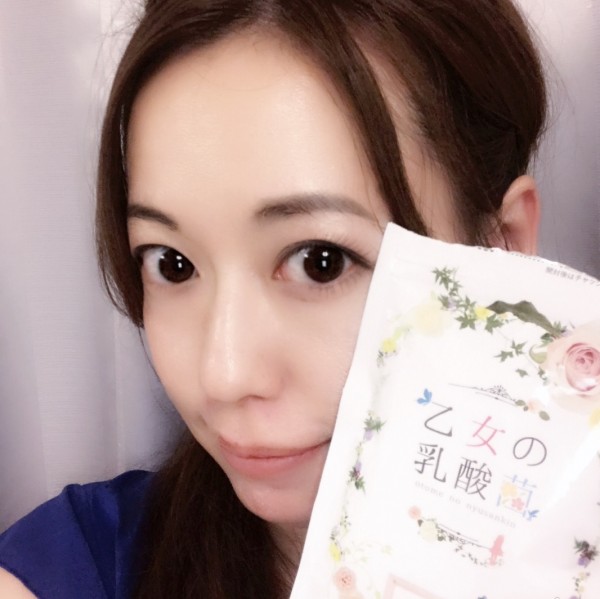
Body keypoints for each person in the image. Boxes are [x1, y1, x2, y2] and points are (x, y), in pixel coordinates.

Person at [0, 0, 547, 597]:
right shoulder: (83, 564)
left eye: (320, 262)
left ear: (501, 250)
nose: (224, 376)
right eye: (172, 264)